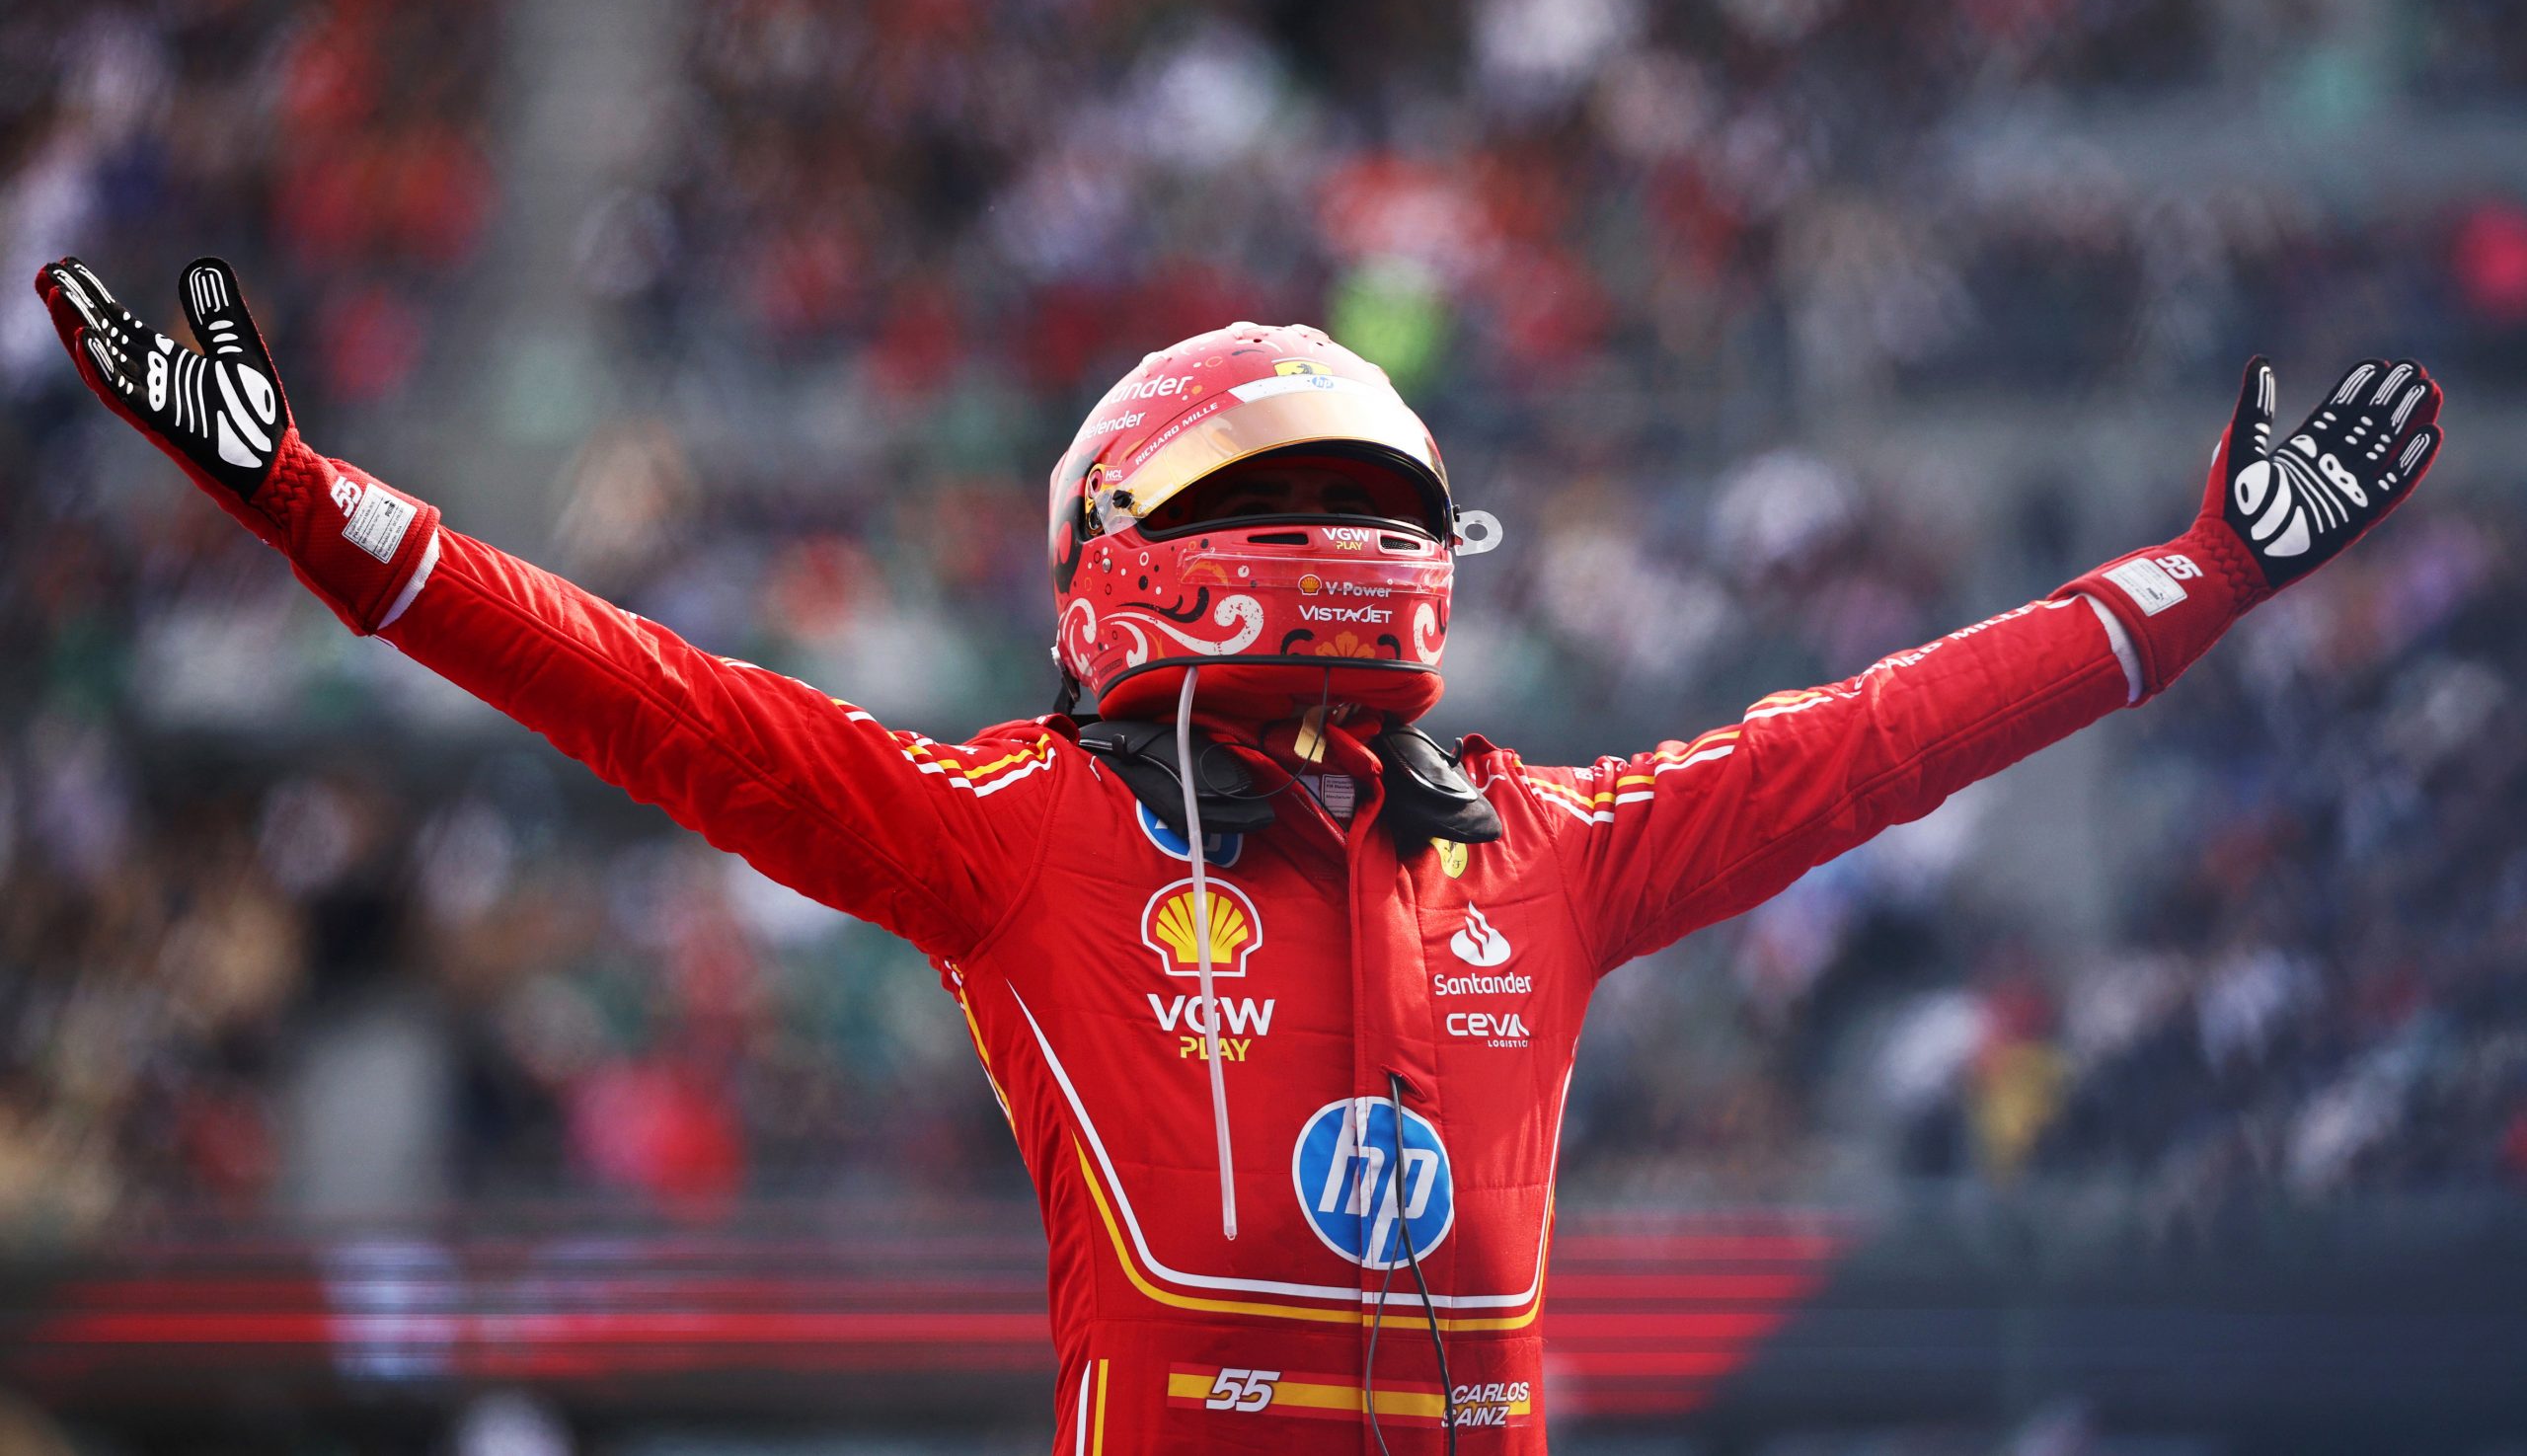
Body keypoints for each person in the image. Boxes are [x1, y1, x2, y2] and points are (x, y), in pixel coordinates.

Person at [34, 258, 2442, 1453]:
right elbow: (652, 697)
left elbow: (1878, 739)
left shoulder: (1541, 838)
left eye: (1369, 505)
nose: (1332, 544)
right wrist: (308, 502)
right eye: (1268, 506)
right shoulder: (1009, 832)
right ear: (1108, 553)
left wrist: (2204, 568)